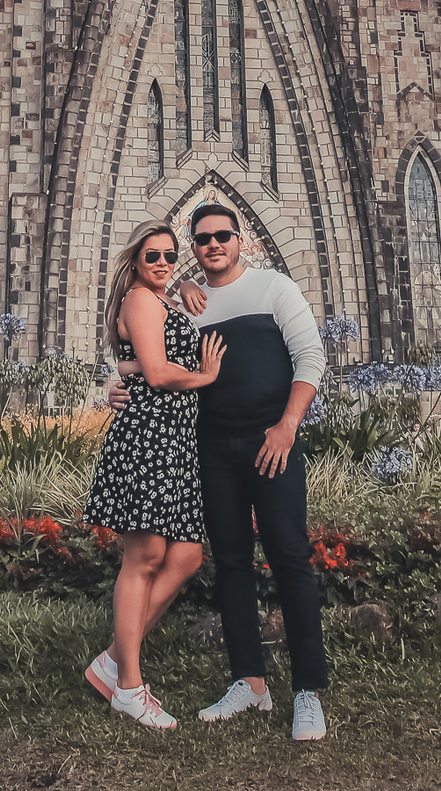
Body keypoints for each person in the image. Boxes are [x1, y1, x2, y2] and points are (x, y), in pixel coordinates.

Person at [108, 202, 330, 743]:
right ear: (194, 246)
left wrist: (287, 426)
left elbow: (311, 357)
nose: (213, 244)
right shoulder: (189, 305)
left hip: (272, 443)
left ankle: (307, 690)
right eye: (202, 238)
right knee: (230, 562)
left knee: (289, 557)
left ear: (240, 238)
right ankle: (249, 682)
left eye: (222, 235)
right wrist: (120, 383)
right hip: (211, 449)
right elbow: (153, 354)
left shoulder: (274, 288)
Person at [82, 219, 225, 730]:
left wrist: (184, 284)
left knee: (185, 556)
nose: (162, 262)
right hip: (150, 438)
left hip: (175, 442)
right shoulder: (140, 300)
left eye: (169, 255)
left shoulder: (160, 298)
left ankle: (111, 660)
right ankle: (128, 687)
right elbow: (160, 373)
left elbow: (140, 363)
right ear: (135, 261)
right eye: (152, 256)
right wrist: (206, 376)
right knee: (143, 558)